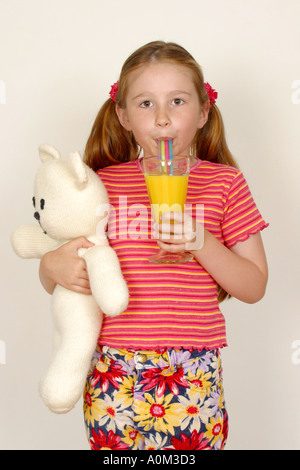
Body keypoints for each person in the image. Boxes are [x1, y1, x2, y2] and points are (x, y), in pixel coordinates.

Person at [39, 41, 268, 450]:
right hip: (113, 367)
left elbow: (254, 286)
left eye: (177, 101)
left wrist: (201, 241)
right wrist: (50, 267)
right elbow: (61, 270)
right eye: (146, 104)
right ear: (123, 116)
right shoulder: (101, 184)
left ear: (202, 112)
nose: (162, 119)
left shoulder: (225, 184)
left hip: (192, 368)